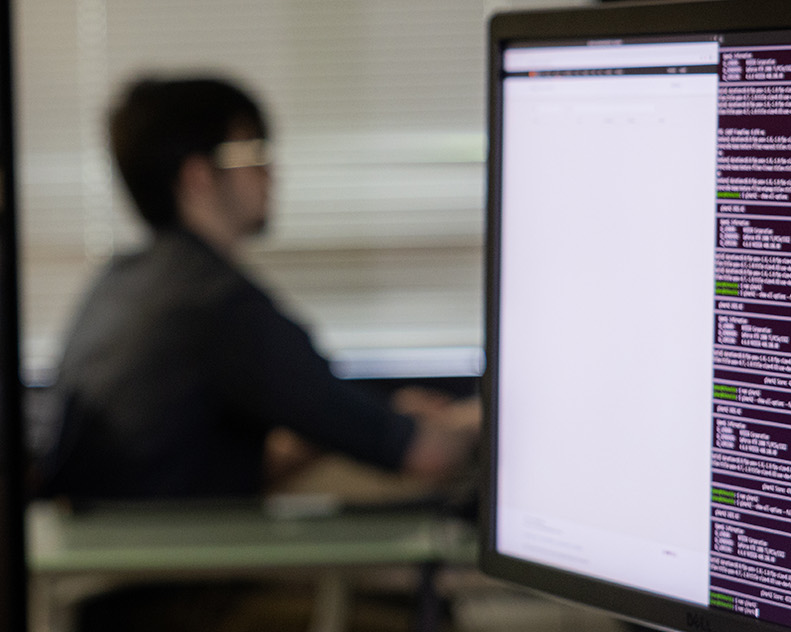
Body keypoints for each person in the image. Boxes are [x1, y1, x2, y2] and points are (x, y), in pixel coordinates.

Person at [36, 77, 480, 502]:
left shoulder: (128, 281)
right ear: (197, 176)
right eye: (253, 151)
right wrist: (483, 417)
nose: (272, 170)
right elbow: (426, 454)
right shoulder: (216, 304)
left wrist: (372, 420)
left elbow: (192, 471)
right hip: (162, 572)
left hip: (109, 554)